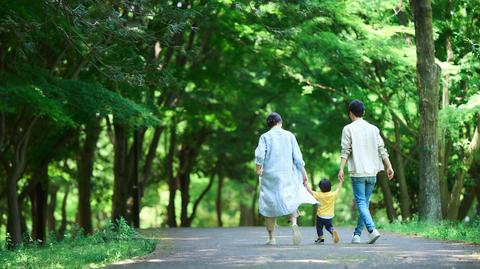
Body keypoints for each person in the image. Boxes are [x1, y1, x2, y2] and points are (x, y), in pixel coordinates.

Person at [255, 112, 318, 245]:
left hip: (270, 176)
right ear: (280, 122)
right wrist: (304, 174)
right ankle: (294, 223)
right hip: (287, 174)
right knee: (291, 198)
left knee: (269, 205)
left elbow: (260, 154)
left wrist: (258, 168)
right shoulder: (289, 136)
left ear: (269, 124)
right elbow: (298, 158)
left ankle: (272, 238)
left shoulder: (265, 136)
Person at [338, 100, 394, 244]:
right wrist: (389, 166)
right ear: (363, 112)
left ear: (351, 113)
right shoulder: (374, 129)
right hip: (372, 173)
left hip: (358, 172)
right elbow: (382, 149)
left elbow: (345, 150)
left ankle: (371, 229)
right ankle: (357, 235)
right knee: (365, 204)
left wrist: (341, 169)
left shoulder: (348, 129)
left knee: (362, 204)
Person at [306, 178, 343, 244]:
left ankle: (321, 239)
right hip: (329, 216)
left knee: (319, 227)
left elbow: (310, 191)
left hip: (320, 216)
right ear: (330, 187)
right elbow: (338, 189)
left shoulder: (319, 195)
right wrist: (340, 182)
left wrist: (306, 184)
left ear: (320, 188)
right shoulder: (332, 194)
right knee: (328, 226)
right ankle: (332, 230)